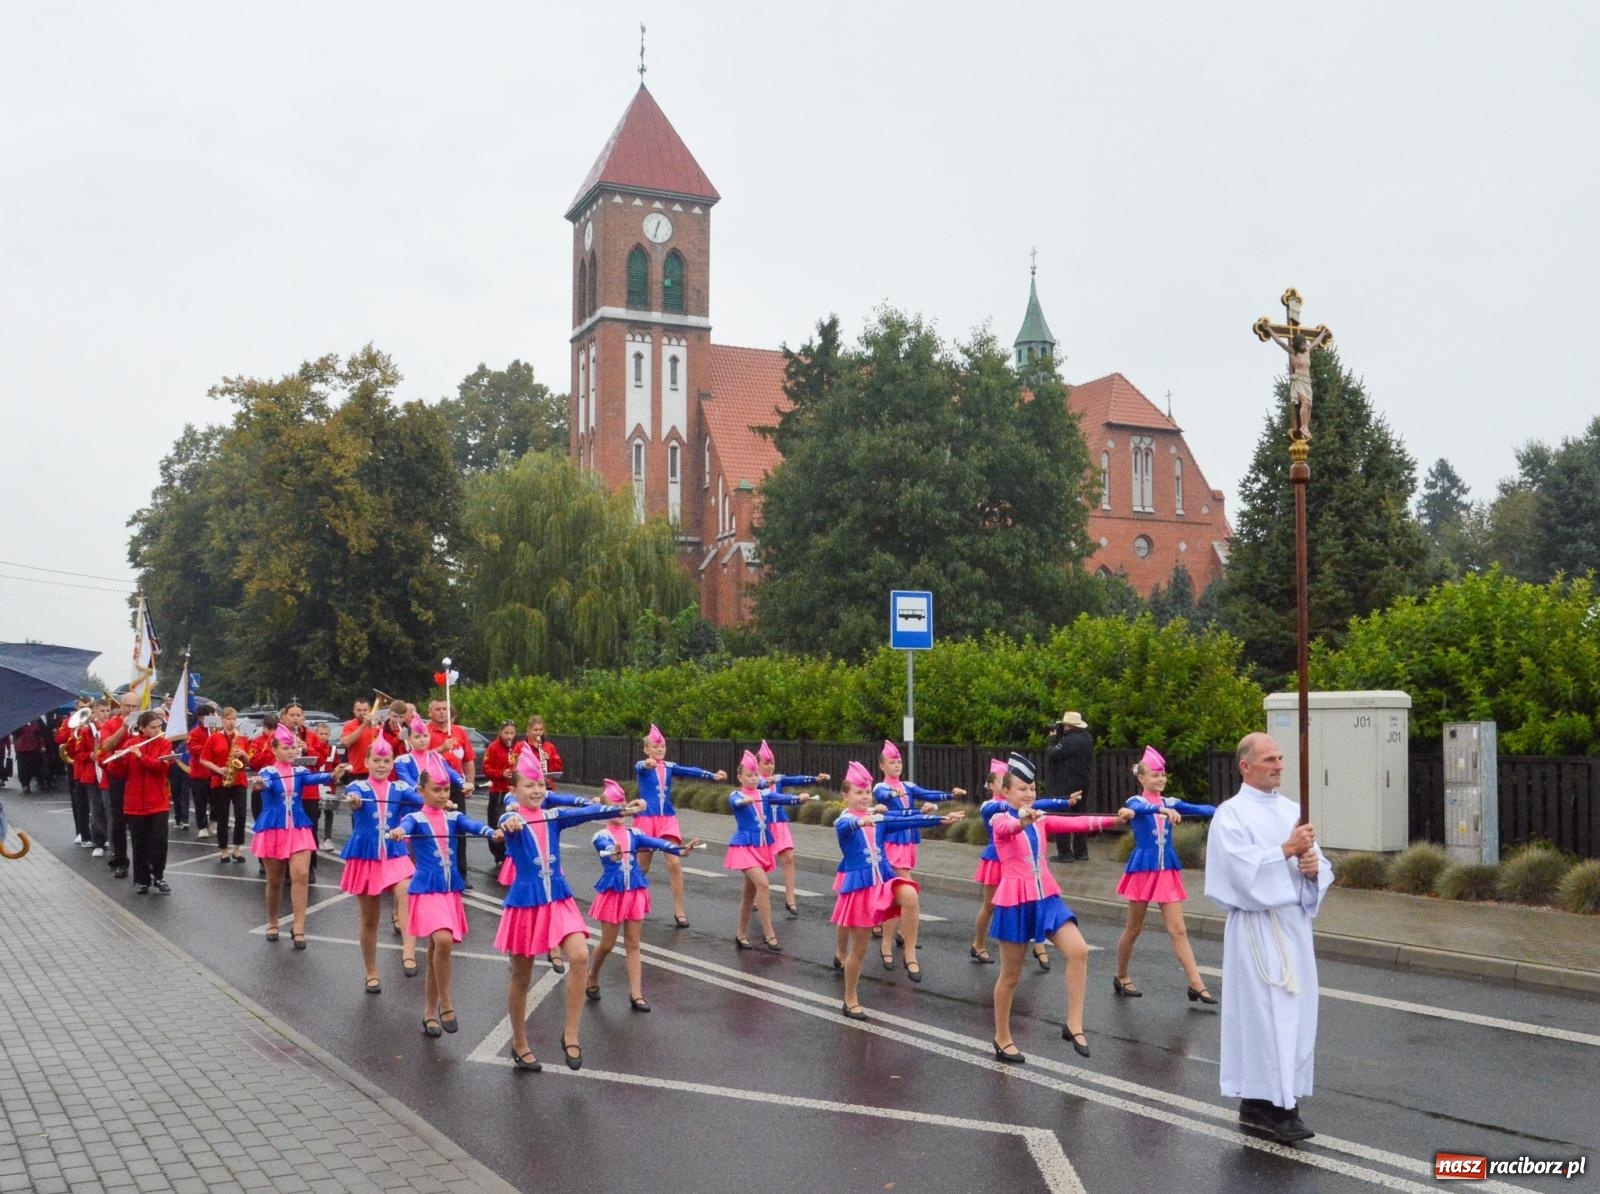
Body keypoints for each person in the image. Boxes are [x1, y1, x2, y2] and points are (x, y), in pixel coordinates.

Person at [1205, 732, 1333, 1145]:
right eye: (1269, 759)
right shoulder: (1231, 815)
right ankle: (1277, 1107)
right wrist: (1285, 850)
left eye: (1280, 758)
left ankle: (1266, 1098)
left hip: (1292, 927)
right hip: (1256, 930)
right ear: (1245, 766)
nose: (1279, 765)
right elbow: (1240, 873)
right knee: (1264, 1017)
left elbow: (1318, 862)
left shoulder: (1293, 810)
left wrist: (1314, 870)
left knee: (1295, 1016)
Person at [493, 753, 637, 1071]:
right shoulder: (512, 817)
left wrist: (621, 808)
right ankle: (519, 1041)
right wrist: (511, 820)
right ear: (514, 790)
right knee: (521, 976)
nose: (536, 790)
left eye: (541, 785)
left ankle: (570, 1033)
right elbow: (506, 822)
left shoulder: (554, 815)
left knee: (580, 955)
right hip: (526, 903)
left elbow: (587, 812)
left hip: (558, 898)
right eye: (529, 785)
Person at [989, 754, 1130, 1063]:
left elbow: (1074, 823)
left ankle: (1074, 1024)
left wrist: (1113, 820)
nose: (1028, 794)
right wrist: (1022, 820)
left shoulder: (1040, 818)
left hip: (1047, 897)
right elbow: (1008, 828)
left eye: (1032, 788)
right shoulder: (999, 818)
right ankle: (1002, 1036)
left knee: (1079, 950)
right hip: (1015, 901)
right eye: (1022, 788)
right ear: (1006, 791)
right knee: (1011, 976)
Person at [831, 761, 964, 1019]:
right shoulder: (844, 820)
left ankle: (910, 952)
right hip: (860, 887)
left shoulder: (879, 819)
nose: (864, 797)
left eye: (867, 792)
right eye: (858, 792)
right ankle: (850, 998)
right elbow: (845, 826)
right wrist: (862, 821)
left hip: (884, 880)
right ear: (845, 796)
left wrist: (939, 819)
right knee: (859, 950)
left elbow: (905, 818)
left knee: (910, 895)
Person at [389, 758, 503, 1040]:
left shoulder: (452, 817)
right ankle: (447, 1002)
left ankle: (429, 1012)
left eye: (445, 790)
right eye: (436, 790)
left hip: (449, 889)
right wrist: (399, 832)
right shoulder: (415, 818)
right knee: (442, 941)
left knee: (433, 953)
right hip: (427, 889)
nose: (442, 795)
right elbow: (404, 825)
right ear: (422, 791)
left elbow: (474, 825)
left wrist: (492, 832)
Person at [586, 779, 702, 1012]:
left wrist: (680, 850)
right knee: (607, 943)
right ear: (604, 809)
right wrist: (614, 855)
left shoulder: (635, 833)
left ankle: (637, 994)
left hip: (635, 892)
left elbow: (658, 843)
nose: (619, 811)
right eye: (612, 806)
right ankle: (592, 975)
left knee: (633, 943)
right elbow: (605, 851)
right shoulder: (601, 835)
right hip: (613, 893)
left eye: (622, 805)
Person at [1113, 745, 1217, 1002]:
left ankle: (1196, 983)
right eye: (1154, 775)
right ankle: (1122, 975)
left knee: (1178, 929)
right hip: (1142, 870)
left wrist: (1230, 810)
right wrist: (1160, 810)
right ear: (1141, 778)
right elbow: (1140, 809)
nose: (1160, 779)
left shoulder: (1172, 802)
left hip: (1166, 870)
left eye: (1163, 775)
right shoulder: (1134, 802)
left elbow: (1202, 809)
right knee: (1134, 928)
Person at [971, 758, 1077, 969]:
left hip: (1020, 860)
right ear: (994, 786)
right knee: (991, 906)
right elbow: (1023, 807)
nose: (1004, 786)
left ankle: (1039, 946)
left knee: (1033, 897)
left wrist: (1064, 801)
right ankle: (978, 943)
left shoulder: (1021, 803)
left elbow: (1036, 803)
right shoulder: (990, 806)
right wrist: (1036, 806)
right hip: (996, 860)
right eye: (1003, 782)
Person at [251, 724, 348, 947]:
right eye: (286, 747)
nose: (292, 751)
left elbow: (320, 778)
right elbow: (262, 785)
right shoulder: (268, 772)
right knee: (275, 881)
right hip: (273, 829)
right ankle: (273, 921)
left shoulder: (300, 772)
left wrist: (334, 773)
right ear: (274, 749)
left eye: (294, 747)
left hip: (298, 827)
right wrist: (259, 785)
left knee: (301, 875)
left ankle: (299, 927)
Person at [870, 740, 963, 970]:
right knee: (906, 892)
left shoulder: (908, 785)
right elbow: (883, 793)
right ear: (882, 766)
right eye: (892, 762)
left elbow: (927, 793)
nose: (897, 765)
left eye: (899, 761)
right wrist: (893, 791)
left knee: (897, 896)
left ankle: (899, 936)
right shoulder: (880, 788)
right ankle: (888, 944)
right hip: (891, 844)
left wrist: (949, 795)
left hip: (907, 844)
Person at [338, 736, 422, 990]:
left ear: (392, 763)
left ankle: (408, 953)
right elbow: (351, 796)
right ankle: (371, 971)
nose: (382, 765)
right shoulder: (359, 788)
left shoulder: (400, 789)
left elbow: (423, 801)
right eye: (376, 760)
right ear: (367, 761)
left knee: (407, 891)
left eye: (386, 761)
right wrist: (353, 802)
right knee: (369, 919)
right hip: (366, 857)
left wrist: (440, 802)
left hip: (395, 853)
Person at [633, 724, 725, 928]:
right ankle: (628, 899)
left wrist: (712, 776)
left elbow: (691, 771)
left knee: (674, 863)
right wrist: (647, 763)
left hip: (667, 820)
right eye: (655, 746)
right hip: (646, 820)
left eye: (662, 746)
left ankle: (679, 910)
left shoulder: (669, 766)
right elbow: (642, 766)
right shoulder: (642, 765)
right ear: (646, 749)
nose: (659, 749)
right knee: (643, 866)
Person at [725, 749, 814, 952]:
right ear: (740, 777)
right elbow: (734, 802)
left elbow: (780, 798)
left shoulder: (764, 793)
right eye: (749, 775)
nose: (754, 778)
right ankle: (769, 933)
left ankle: (740, 934)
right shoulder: (736, 794)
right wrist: (743, 801)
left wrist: (798, 799)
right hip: (744, 848)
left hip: (762, 847)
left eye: (756, 774)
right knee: (763, 885)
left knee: (749, 894)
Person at [753, 739, 829, 918]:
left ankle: (790, 899)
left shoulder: (777, 778)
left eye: (772, 763)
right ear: (757, 764)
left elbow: (795, 778)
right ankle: (756, 897)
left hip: (780, 824)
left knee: (789, 858)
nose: (770, 766)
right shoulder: (755, 782)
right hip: (764, 826)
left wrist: (814, 779)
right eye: (766, 763)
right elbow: (769, 793)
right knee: (762, 864)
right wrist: (793, 798)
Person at [122, 710, 177, 894]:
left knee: (159, 842)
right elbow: (118, 774)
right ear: (142, 728)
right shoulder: (130, 744)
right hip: (134, 804)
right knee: (139, 843)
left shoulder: (164, 744)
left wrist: (140, 757)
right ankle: (142, 880)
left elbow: (160, 768)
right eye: (153, 727)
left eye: (158, 727)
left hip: (158, 803)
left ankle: (159, 877)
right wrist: (117, 760)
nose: (157, 730)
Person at [199, 708, 250, 864]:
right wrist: (218, 769)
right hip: (220, 781)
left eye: (234, 718)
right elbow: (203, 759)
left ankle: (237, 849)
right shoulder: (214, 738)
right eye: (228, 718)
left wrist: (243, 754)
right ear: (222, 720)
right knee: (223, 816)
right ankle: (223, 851)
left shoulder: (242, 738)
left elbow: (249, 761)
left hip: (239, 780)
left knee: (241, 814)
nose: (231, 721)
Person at [1044, 711, 1093, 862]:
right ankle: (1081, 852)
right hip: (1082, 782)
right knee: (1079, 817)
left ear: (1069, 726)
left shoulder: (1070, 741)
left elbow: (1052, 755)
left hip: (1065, 784)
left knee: (1062, 817)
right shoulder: (1087, 738)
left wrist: (1052, 740)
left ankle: (1064, 853)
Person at [482, 721, 519, 869]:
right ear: (500, 732)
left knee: (514, 822)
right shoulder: (493, 747)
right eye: (506, 733)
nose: (509, 736)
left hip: (514, 790)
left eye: (512, 733)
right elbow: (486, 768)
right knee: (496, 822)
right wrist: (500, 773)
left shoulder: (517, 747)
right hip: (498, 791)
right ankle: (499, 855)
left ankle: (512, 854)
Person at [185, 704, 213, 836]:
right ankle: (202, 827)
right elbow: (194, 749)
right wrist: (210, 746)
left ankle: (214, 822)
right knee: (200, 802)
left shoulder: (217, 732)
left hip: (215, 773)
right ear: (201, 718)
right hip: (199, 773)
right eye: (208, 716)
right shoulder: (194, 733)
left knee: (217, 801)